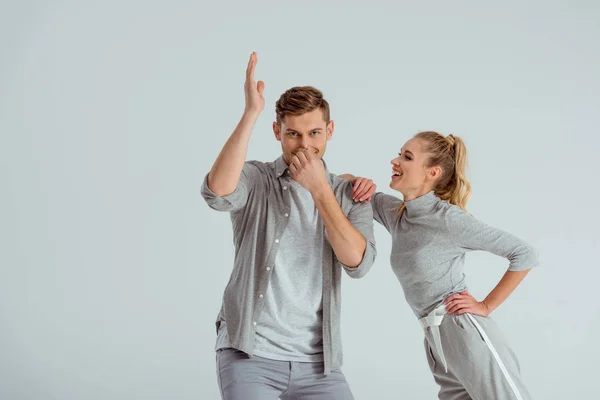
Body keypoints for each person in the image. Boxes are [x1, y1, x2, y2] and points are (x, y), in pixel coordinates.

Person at [201, 52, 376, 400]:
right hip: (249, 355)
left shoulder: (349, 193)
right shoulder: (257, 177)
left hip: (319, 365)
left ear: (330, 130)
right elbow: (217, 193)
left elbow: (359, 263)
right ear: (277, 132)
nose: (305, 145)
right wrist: (251, 113)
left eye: (314, 133)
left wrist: (320, 189)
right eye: (293, 134)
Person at [342, 131, 539, 400]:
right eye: (400, 153)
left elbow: (524, 254)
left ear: (431, 173)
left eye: (406, 157)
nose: (395, 160)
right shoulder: (398, 214)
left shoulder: (448, 219)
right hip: (435, 339)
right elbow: (343, 184)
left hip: (462, 330)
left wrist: (485, 306)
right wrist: (357, 181)